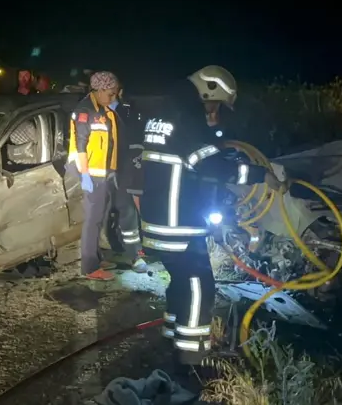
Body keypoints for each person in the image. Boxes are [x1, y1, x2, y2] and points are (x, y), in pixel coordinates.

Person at [138, 65, 273, 371]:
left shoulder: (164, 114)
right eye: (215, 104)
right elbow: (212, 168)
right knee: (199, 285)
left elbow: (192, 157)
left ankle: (173, 339)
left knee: (180, 283)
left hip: (158, 219)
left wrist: (211, 131)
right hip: (179, 223)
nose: (215, 111)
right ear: (207, 92)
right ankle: (192, 360)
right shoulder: (186, 118)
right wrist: (262, 175)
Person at [67, 71, 121, 281]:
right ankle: (90, 267)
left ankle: (96, 257)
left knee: (100, 217)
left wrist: (112, 170)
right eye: (111, 93)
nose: (113, 97)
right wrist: (86, 175)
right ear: (99, 90)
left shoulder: (102, 109)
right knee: (92, 219)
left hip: (103, 172)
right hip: (90, 172)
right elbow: (81, 144)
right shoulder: (85, 110)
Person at [111, 86, 148, 273]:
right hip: (119, 172)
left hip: (135, 167)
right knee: (127, 214)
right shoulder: (103, 113)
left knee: (137, 213)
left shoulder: (131, 114)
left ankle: (141, 252)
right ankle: (135, 255)